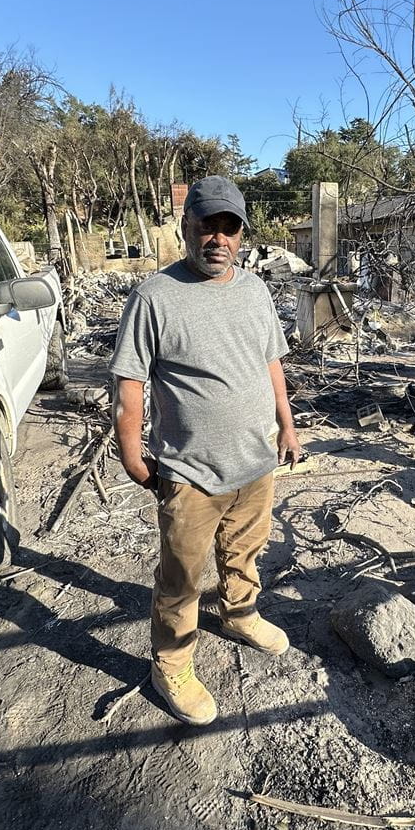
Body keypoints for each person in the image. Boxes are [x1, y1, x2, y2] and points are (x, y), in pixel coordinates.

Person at [109, 175, 301, 726]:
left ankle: (239, 613)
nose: (218, 239)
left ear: (241, 234)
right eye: (206, 226)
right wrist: (131, 451)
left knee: (244, 552)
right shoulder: (154, 295)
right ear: (185, 227)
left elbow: (271, 365)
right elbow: (129, 381)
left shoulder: (255, 290)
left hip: (255, 461)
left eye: (229, 228)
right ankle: (170, 663)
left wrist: (286, 427)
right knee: (182, 576)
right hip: (190, 469)